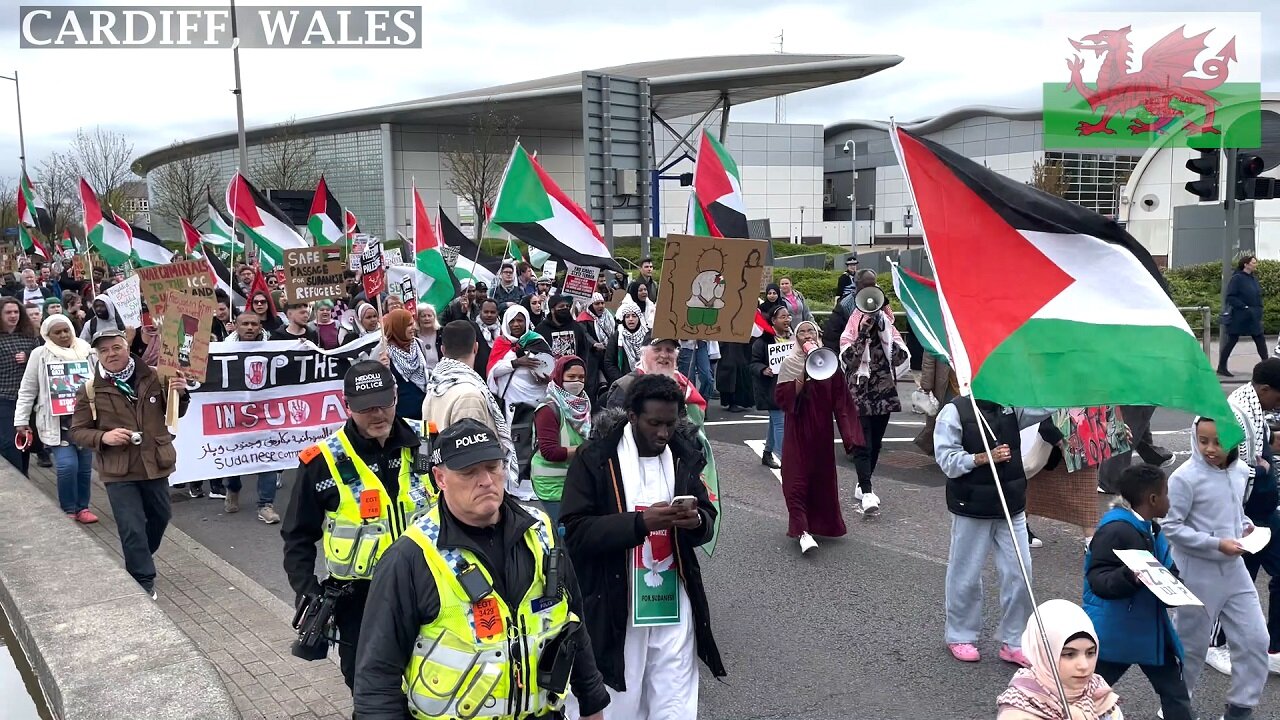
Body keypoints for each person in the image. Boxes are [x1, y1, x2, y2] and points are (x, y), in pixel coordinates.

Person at [352, 418, 610, 720]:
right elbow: (377, 675)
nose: (486, 480)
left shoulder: (541, 532)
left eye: (492, 466)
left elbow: (573, 622)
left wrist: (593, 703)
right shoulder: (411, 556)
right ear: (440, 478)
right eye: (469, 472)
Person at [561, 374, 725, 717]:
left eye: (670, 423)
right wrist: (639, 524)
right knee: (619, 697)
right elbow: (574, 532)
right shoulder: (595, 457)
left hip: (671, 599)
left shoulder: (684, 453)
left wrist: (696, 522)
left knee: (675, 698)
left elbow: (707, 516)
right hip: (616, 601)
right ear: (632, 416)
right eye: (654, 424)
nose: (663, 434)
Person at [281, 361, 433, 690]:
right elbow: (297, 536)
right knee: (368, 688)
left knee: (432, 683)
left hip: (429, 587)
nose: (377, 414)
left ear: (396, 396)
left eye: (384, 403)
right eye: (366, 408)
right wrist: (307, 592)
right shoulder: (321, 461)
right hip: (360, 601)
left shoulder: (429, 442)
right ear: (346, 404)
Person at [934, 395, 1058, 667]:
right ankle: (960, 635)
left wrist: (1076, 385)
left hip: (1011, 504)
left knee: (1020, 572)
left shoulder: (1011, 405)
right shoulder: (954, 411)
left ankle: (1015, 641)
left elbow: (1047, 403)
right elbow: (946, 460)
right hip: (971, 505)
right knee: (965, 573)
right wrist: (982, 458)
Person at [69, 329, 188, 599]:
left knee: (161, 517)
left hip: (154, 462)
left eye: (116, 348)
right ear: (97, 355)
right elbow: (77, 431)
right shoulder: (90, 390)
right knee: (131, 526)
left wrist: (182, 393)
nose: (110, 354)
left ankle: (140, 557)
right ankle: (142, 579)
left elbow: (176, 412)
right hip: (118, 469)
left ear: (127, 348)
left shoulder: (157, 376)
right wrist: (104, 437)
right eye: (103, 351)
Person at [1164, 416, 1269, 720]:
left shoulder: (1239, 471)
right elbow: (1171, 527)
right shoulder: (1184, 478)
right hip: (1196, 574)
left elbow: (1235, 513)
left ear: (1235, 439)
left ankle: (1240, 708)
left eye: (1218, 441)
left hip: (1234, 570)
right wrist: (1215, 544)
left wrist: (1246, 527)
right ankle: (1175, 710)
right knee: (1191, 649)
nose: (1209, 448)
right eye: (1202, 440)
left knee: (1255, 639)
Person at [1084, 464, 1193, 720]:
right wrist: (1130, 576)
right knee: (1087, 691)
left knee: (1174, 691)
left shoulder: (1150, 527)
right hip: (1119, 630)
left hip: (1145, 629)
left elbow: (1167, 567)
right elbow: (1097, 579)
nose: (1170, 499)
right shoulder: (1116, 530)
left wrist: (1174, 585)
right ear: (1153, 499)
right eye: (1166, 493)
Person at [1209, 358, 1280, 675]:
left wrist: (1266, 460)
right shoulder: (1234, 416)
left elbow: (1266, 444)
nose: (1279, 405)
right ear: (1264, 390)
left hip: (1263, 510)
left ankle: (1274, 647)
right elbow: (1218, 467)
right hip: (1240, 513)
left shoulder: (1257, 410)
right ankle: (1214, 644)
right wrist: (1260, 467)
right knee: (1236, 579)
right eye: (1279, 398)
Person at [774, 319, 855, 553]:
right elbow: (783, 399)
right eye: (802, 332)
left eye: (810, 331)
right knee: (795, 480)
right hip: (797, 431)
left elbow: (841, 400)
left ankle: (821, 524)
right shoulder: (790, 362)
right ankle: (801, 531)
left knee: (821, 480)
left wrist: (850, 435)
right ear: (796, 337)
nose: (807, 335)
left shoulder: (829, 361)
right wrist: (803, 374)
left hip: (821, 432)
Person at [422, 321, 522, 497]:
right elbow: (473, 457)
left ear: (443, 350)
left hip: (448, 482)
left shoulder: (437, 384)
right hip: (470, 492)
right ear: (476, 347)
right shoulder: (469, 395)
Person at [15, 314, 98, 523]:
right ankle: (68, 508)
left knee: (84, 468)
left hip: (86, 420)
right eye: (57, 332)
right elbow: (27, 390)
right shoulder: (39, 355)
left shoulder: (87, 351)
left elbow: (102, 380)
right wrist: (21, 421)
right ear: (47, 335)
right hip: (56, 422)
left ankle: (83, 507)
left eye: (66, 330)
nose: (63, 335)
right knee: (67, 466)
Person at [840, 270, 908, 515]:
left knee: (876, 442)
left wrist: (883, 330)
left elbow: (901, 356)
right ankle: (868, 491)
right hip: (859, 390)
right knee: (862, 442)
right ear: (856, 288)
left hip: (884, 390)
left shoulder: (886, 321)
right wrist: (862, 335)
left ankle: (862, 483)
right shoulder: (852, 320)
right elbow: (848, 358)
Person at [996, 599, 1122, 720]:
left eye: (1090, 653)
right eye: (1069, 654)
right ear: (1042, 653)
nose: (1084, 665)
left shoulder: (1098, 690)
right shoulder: (1020, 705)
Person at [532, 355, 591, 524]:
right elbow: (549, 452)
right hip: (551, 484)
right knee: (562, 533)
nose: (577, 382)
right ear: (559, 376)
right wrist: (586, 448)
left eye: (581, 378)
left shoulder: (582, 404)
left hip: (573, 480)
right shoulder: (548, 409)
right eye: (571, 377)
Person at [749, 305, 792, 470]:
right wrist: (763, 369)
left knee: (775, 422)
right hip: (770, 388)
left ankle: (767, 453)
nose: (787, 319)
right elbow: (753, 364)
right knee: (780, 422)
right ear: (773, 321)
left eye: (788, 316)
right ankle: (785, 459)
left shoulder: (793, 338)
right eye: (783, 317)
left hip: (788, 386)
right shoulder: (762, 341)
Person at [0, 296, 40, 474]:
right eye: (8, 312)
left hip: (27, 398)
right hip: (4, 398)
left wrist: (29, 355)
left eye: (16, 312)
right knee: (9, 443)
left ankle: (24, 476)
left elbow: (40, 358)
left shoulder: (29, 335)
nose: (13, 315)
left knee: (25, 441)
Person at [1219, 255, 1267, 378]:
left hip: (1253, 315)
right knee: (1232, 340)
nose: (1255, 265)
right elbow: (1230, 296)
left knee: (1260, 339)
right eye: (1253, 263)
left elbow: (1257, 296)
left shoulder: (1253, 279)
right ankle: (1222, 367)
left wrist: (1259, 309)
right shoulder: (1237, 278)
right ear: (1246, 264)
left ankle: (1267, 367)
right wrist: (1244, 307)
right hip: (1240, 316)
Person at [378, 309, 429, 421]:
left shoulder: (419, 345)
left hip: (424, 411)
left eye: (413, 323)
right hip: (400, 415)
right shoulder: (384, 351)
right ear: (398, 327)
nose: (414, 328)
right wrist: (382, 368)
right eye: (409, 325)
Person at [604, 299, 646, 386]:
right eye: (627, 316)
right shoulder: (617, 337)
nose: (631, 319)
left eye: (634, 316)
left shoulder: (647, 336)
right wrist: (622, 380)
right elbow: (609, 362)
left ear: (639, 318)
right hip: (624, 384)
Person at [413, 304, 440, 374]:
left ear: (434, 317)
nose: (427, 318)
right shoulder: (413, 337)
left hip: (442, 373)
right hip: (422, 376)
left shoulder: (442, 334)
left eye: (429, 315)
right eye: (423, 316)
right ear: (418, 319)